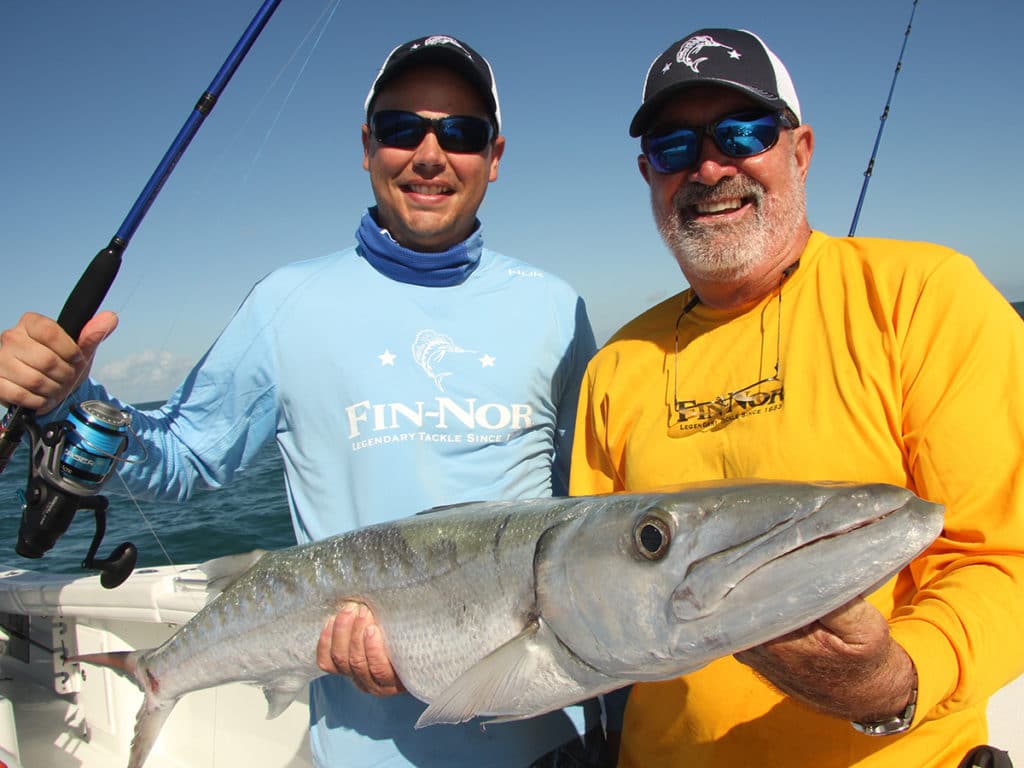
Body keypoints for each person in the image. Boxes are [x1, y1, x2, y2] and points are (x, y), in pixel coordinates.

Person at [0, 35, 602, 768]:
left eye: (462, 133)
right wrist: (70, 398)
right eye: (401, 128)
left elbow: (591, 512)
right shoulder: (286, 303)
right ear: (366, 146)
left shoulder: (556, 309)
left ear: (495, 157)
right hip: (358, 752)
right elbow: (184, 460)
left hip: (547, 746)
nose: (430, 155)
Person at [569, 27, 1024, 768]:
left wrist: (889, 681)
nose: (710, 167)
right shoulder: (616, 365)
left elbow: (1006, 555)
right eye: (675, 147)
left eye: (741, 132)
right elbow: (595, 604)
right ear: (648, 172)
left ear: (800, 150)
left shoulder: (926, 298)